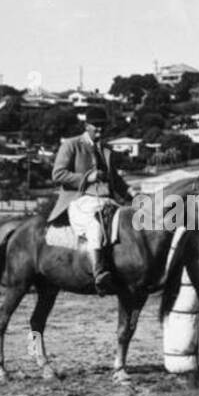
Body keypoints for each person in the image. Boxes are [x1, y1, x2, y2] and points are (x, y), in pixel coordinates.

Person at [49, 106, 131, 293]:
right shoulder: (71, 145)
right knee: (95, 226)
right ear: (86, 125)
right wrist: (87, 177)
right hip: (80, 201)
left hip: (105, 201)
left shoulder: (107, 149)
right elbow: (58, 174)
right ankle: (99, 272)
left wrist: (131, 193)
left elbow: (115, 180)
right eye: (96, 126)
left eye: (103, 126)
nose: (100, 130)